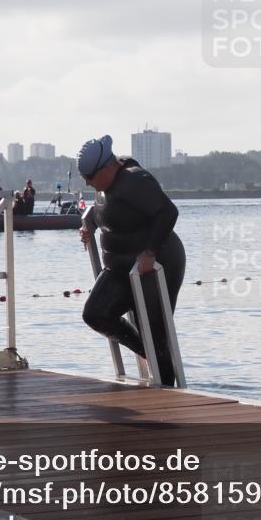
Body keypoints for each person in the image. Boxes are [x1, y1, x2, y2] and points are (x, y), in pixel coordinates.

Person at [77, 134, 185, 386]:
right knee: (95, 314)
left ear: (106, 167)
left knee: (155, 331)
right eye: (84, 179)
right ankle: (148, 354)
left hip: (156, 265)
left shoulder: (135, 180)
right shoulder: (106, 184)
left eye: (90, 177)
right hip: (119, 267)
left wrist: (150, 252)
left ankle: (167, 387)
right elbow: (108, 210)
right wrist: (89, 224)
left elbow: (168, 212)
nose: (88, 183)